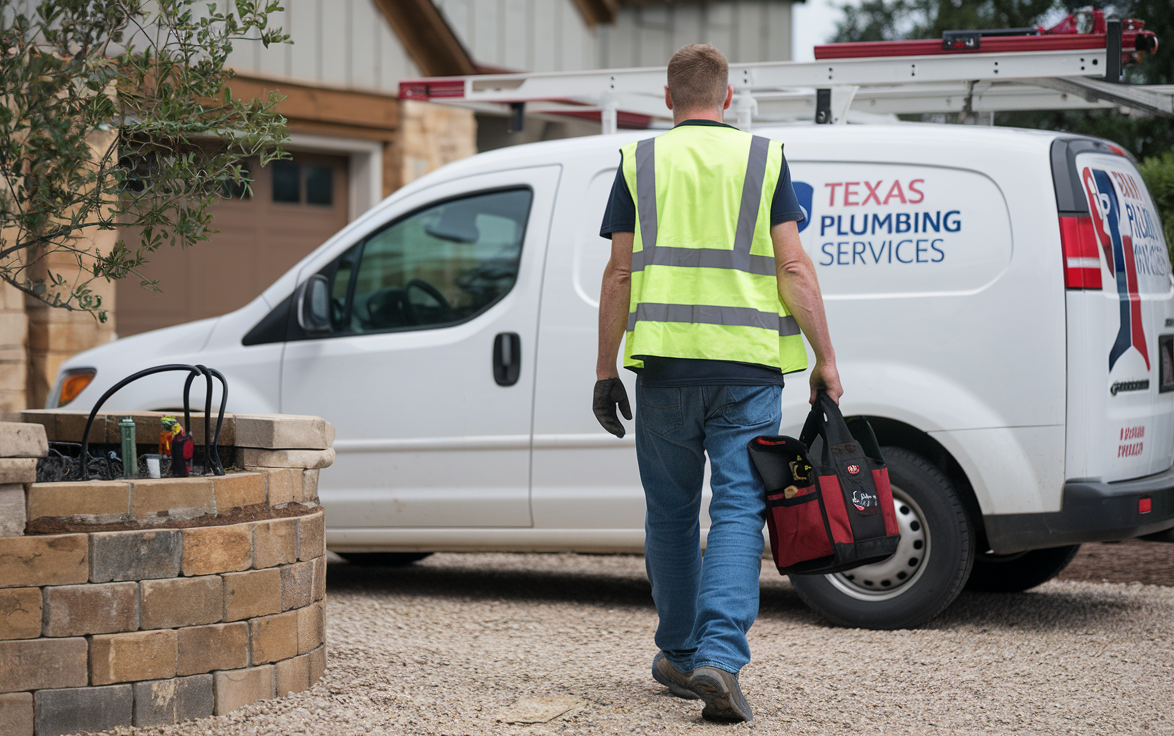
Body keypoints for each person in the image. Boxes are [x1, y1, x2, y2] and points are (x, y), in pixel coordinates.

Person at [592, 43, 843, 723]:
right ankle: (720, 658)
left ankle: (677, 653)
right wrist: (826, 358)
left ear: (667, 98)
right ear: (727, 97)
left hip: (666, 370)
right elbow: (794, 270)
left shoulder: (638, 162)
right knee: (738, 510)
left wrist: (604, 370)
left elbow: (618, 276)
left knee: (670, 515)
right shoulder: (763, 159)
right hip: (748, 371)